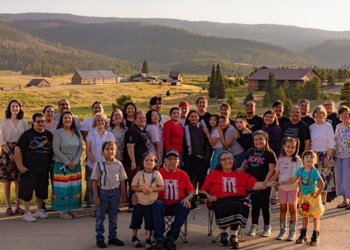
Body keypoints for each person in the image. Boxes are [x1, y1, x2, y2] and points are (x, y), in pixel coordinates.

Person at [201, 151, 277, 249]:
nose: (227, 161)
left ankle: (233, 236)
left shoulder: (239, 173)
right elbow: (203, 190)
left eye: (229, 158)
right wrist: (209, 196)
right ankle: (224, 233)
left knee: (238, 205)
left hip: (238, 200)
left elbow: (254, 185)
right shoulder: (214, 174)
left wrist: (266, 184)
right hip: (219, 201)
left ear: (233, 160)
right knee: (228, 205)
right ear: (219, 162)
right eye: (224, 159)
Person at [278, 150, 325, 246]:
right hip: (304, 196)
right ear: (302, 160)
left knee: (315, 216)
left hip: (313, 196)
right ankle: (303, 234)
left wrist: (317, 194)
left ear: (315, 160)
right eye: (307, 157)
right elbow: (293, 180)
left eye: (311, 157)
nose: (309, 159)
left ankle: (315, 235)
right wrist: (282, 183)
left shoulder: (314, 171)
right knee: (305, 216)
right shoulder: (300, 170)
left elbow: (322, 184)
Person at [151, 150, 195, 250]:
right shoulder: (158, 173)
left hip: (177, 204)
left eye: (175, 159)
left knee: (186, 205)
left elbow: (192, 191)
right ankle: (159, 239)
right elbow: (148, 187)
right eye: (170, 159)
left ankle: (171, 237)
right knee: (157, 204)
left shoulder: (183, 174)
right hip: (162, 204)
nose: (172, 162)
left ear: (178, 162)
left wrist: (188, 198)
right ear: (165, 161)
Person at [15, 113, 53, 222]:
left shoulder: (49, 135)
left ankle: (39, 210)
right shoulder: (27, 134)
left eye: (42, 121)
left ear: (45, 122)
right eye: (38, 121)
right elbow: (18, 149)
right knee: (27, 191)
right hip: (29, 169)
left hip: (44, 169)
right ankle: (27, 213)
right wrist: (20, 166)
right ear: (34, 123)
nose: (40, 123)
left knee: (42, 191)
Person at [237, 130, 277, 237]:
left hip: (264, 182)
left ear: (266, 140)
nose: (258, 141)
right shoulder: (250, 151)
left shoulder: (269, 153)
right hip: (251, 182)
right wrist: (241, 167)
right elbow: (246, 162)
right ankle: (254, 226)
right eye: (256, 139)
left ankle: (267, 227)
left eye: (260, 139)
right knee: (255, 205)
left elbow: (271, 169)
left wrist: (266, 180)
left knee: (264, 205)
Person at [92, 140, 127, 248]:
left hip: (115, 193)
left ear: (115, 151)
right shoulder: (98, 164)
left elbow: (122, 181)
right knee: (100, 216)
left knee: (113, 216)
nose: (109, 151)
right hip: (103, 193)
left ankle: (112, 237)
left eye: (112, 149)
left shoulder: (119, 164)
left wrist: (121, 195)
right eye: (107, 149)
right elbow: (95, 180)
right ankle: (100, 238)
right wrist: (96, 196)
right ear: (103, 151)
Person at [266, 137, 302, 241]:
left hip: (293, 189)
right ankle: (282, 231)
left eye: (292, 147)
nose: (290, 149)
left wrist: (300, 189)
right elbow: (276, 174)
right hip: (282, 189)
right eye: (288, 147)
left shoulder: (298, 160)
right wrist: (267, 182)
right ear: (283, 146)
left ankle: (292, 232)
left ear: (296, 148)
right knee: (283, 209)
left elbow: (300, 175)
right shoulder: (280, 159)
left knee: (293, 210)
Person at [52, 111, 83, 219]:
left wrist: (74, 162)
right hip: (62, 164)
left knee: (73, 187)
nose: (67, 120)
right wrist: (67, 162)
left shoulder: (77, 132)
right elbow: (56, 149)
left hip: (75, 163)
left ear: (72, 120)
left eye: (69, 118)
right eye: (65, 118)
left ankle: (70, 210)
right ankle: (62, 212)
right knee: (62, 187)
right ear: (62, 120)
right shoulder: (58, 132)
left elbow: (81, 148)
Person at [130, 153, 164, 249]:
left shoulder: (157, 174)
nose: (149, 162)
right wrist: (141, 189)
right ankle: (134, 237)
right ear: (142, 162)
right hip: (139, 202)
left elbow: (162, 187)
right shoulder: (139, 174)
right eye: (146, 160)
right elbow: (133, 186)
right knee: (136, 221)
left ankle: (148, 239)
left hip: (151, 203)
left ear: (155, 163)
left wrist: (152, 189)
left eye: (151, 160)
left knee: (149, 222)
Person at [0, 100, 28, 216]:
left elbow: (27, 139)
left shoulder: (24, 122)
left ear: (20, 108)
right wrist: (10, 153)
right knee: (7, 181)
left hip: (20, 151)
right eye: (13, 106)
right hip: (7, 152)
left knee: (18, 180)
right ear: (9, 108)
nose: (15, 108)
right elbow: (1, 139)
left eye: (17, 106)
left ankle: (17, 206)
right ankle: (8, 207)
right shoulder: (4, 122)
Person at [86, 113, 115, 209]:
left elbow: (113, 150)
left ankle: (105, 207)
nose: (100, 122)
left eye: (102, 120)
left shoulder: (110, 135)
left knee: (104, 186)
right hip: (92, 164)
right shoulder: (91, 134)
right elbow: (88, 151)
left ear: (105, 122)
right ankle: (95, 208)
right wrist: (95, 163)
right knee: (93, 186)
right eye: (98, 120)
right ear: (95, 122)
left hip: (106, 165)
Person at [309, 105, 334, 208]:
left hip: (325, 154)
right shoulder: (311, 127)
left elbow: (331, 143)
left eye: (321, 113)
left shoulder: (328, 126)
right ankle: (315, 200)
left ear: (324, 115)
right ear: (314, 114)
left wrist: (327, 158)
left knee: (324, 177)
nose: (319, 115)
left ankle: (323, 200)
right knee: (314, 177)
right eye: (317, 113)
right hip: (314, 155)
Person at [124, 111, 150, 212]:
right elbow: (130, 146)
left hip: (142, 161)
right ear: (135, 120)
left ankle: (138, 202)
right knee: (134, 183)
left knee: (140, 183)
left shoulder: (143, 129)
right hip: (133, 162)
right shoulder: (133, 131)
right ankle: (131, 204)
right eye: (140, 118)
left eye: (144, 118)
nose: (142, 120)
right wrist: (133, 161)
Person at [182, 110, 212, 190]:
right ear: (188, 118)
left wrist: (206, 158)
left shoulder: (204, 129)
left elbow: (208, 145)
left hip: (201, 158)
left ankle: (202, 197)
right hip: (189, 158)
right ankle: (191, 198)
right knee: (189, 179)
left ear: (198, 117)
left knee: (202, 179)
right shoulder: (185, 129)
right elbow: (183, 144)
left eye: (196, 116)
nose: (194, 118)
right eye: (192, 116)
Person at [108, 108, 128, 205]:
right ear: (112, 117)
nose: (117, 117)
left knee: (122, 179)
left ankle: (122, 199)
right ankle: (113, 200)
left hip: (123, 157)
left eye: (119, 115)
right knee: (113, 179)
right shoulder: (108, 130)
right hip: (112, 158)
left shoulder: (126, 130)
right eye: (115, 115)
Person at [334, 106, 350, 209]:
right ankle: (344, 201)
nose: (344, 115)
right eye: (342, 114)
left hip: (348, 156)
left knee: (348, 179)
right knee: (340, 179)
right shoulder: (338, 126)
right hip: (337, 156)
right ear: (339, 116)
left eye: (346, 113)